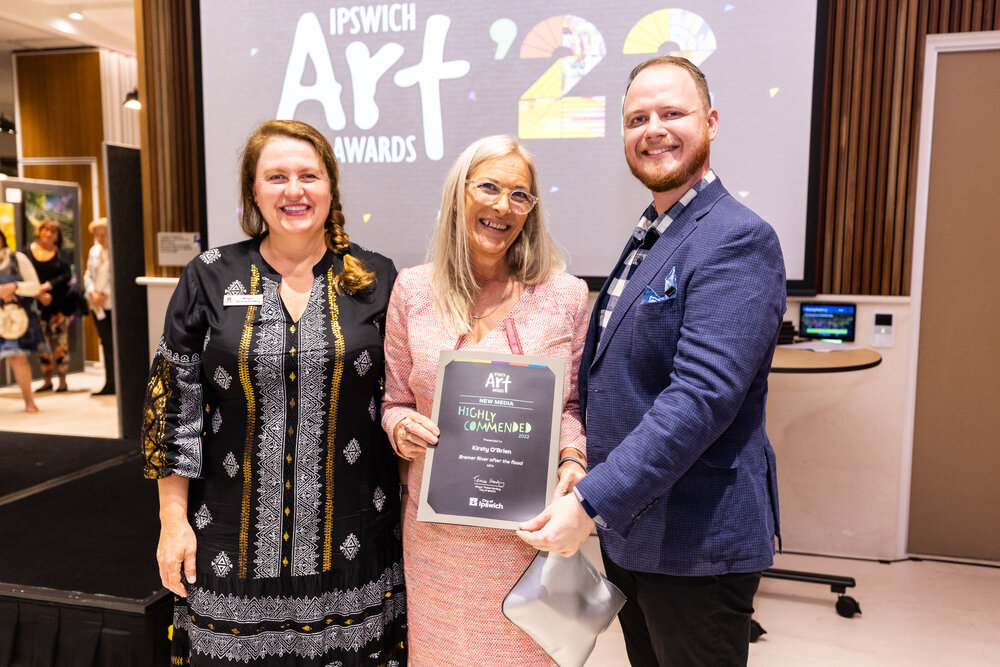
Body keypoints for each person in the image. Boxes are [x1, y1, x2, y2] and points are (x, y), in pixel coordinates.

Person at [517, 56, 786, 666]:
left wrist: (588, 504)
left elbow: (699, 399)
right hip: (637, 532)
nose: (653, 129)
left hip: (696, 538)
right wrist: (576, 457)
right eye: (638, 117)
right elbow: (613, 377)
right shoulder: (654, 233)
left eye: (673, 112)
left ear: (711, 121)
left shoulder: (735, 237)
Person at [140, 119, 406, 666]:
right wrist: (172, 523)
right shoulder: (209, 276)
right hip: (227, 552)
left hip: (351, 548)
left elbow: (402, 400)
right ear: (253, 192)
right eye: (276, 177)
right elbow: (174, 410)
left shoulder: (375, 278)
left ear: (330, 188)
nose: (294, 190)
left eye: (309, 175)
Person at [381, 135, 590, 665]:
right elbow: (395, 399)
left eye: (520, 195)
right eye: (490, 188)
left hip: (526, 531)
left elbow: (572, 407)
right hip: (437, 536)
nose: (502, 207)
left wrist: (573, 457)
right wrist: (401, 426)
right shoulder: (411, 290)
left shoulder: (564, 295)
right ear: (459, 194)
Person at [28, 219, 73, 393]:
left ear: (57, 236)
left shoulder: (62, 254)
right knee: (42, 345)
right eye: (45, 230)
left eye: (53, 231)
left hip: (59, 306)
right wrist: (38, 294)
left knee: (61, 344)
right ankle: (46, 380)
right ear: (39, 231)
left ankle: (63, 381)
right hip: (36, 306)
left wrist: (48, 286)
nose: (48, 234)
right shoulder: (28, 251)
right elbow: (23, 274)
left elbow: (67, 275)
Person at [1, 233, 43, 412]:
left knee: (18, 358)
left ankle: (29, 401)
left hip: (12, 317)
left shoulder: (17, 258)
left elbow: (35, 286)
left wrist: (14, 287)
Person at [84, 217, 115, 395]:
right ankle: (109, 382)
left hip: (112, 304)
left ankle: (120, 382)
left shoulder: (116, 252)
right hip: (97, 305)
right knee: (106, 343)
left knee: (116, 343)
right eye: (98, 235)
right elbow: (87, 274)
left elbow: (117, 275)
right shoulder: (93, 251)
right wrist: (92, 293)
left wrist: (106, 294)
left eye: (104, 234)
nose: (101, 238)